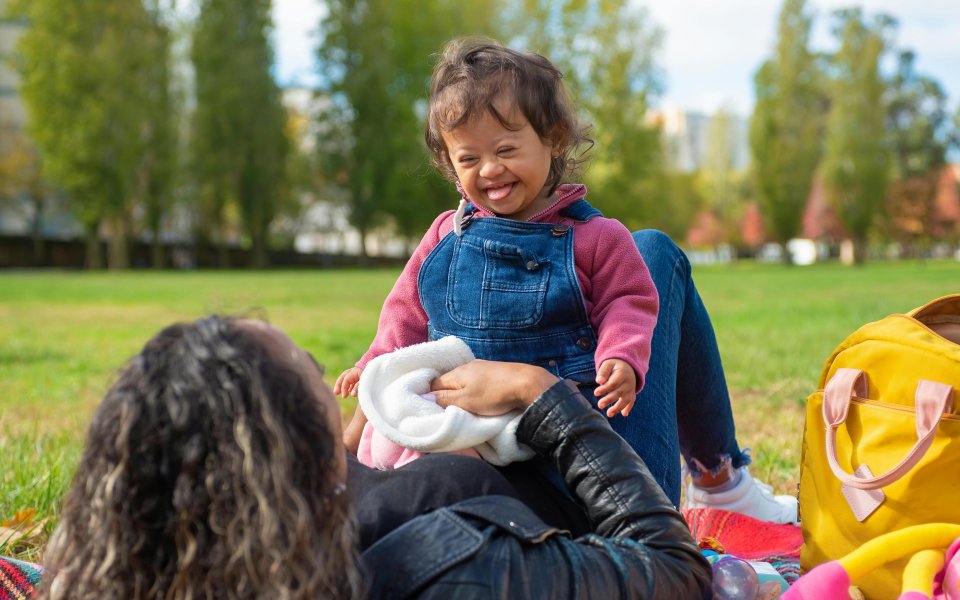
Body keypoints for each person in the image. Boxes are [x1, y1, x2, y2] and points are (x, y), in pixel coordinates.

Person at [38, 315, 712, 599]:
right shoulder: (447, 569)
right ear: (291, 456)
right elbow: (678, 572)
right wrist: (544, 398)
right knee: (654, 256)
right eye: (308, 373)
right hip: (573, 502)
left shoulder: (152, 562)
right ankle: (721, 473)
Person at [336, 37, 659, 470]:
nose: (489, 169)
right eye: (468, 158)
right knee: (400, 450)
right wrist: (374, 363)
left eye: (506, 150)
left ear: (554, 139)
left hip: (555, 428)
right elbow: (405, 313)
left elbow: (629, 301)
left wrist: (621, 356)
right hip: (459, 420)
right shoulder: (444, 236)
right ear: (450, 163)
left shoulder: (597, 236)